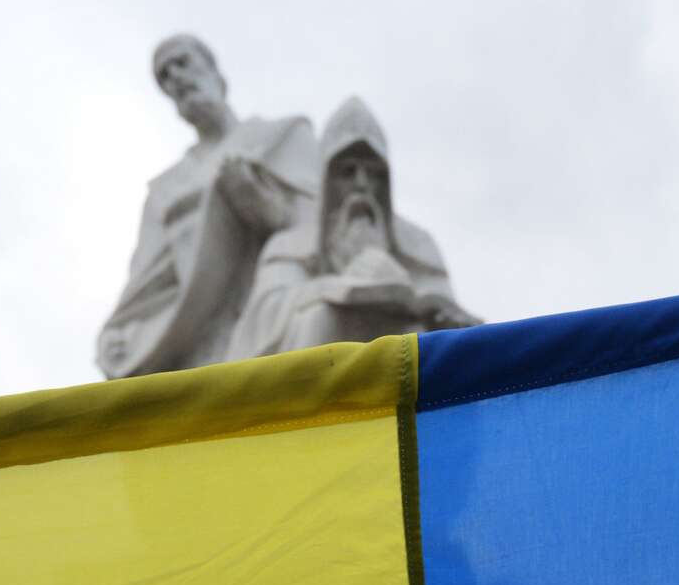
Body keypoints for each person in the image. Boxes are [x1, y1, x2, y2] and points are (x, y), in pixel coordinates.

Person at [96, 36, 317, 378]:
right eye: (165, 76)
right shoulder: (166, 188)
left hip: (277, 318)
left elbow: (326, 227)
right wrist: (119, 333)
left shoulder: (283, 136)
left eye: (182, 62)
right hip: (203, 348)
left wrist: (266, 208)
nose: (175, 78)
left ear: (214, 71)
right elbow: (145, 282)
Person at [229, 97, 477, 361]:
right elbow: (266, 317)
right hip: (318, 359)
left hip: (402, 362)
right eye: (348, 172)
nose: (362, 184)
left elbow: (448, 313)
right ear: (327, 179)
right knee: (320, 317)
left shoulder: (418, 244)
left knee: (418, 336)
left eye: (374, 174)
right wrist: (338, 286)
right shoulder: (290, 243)